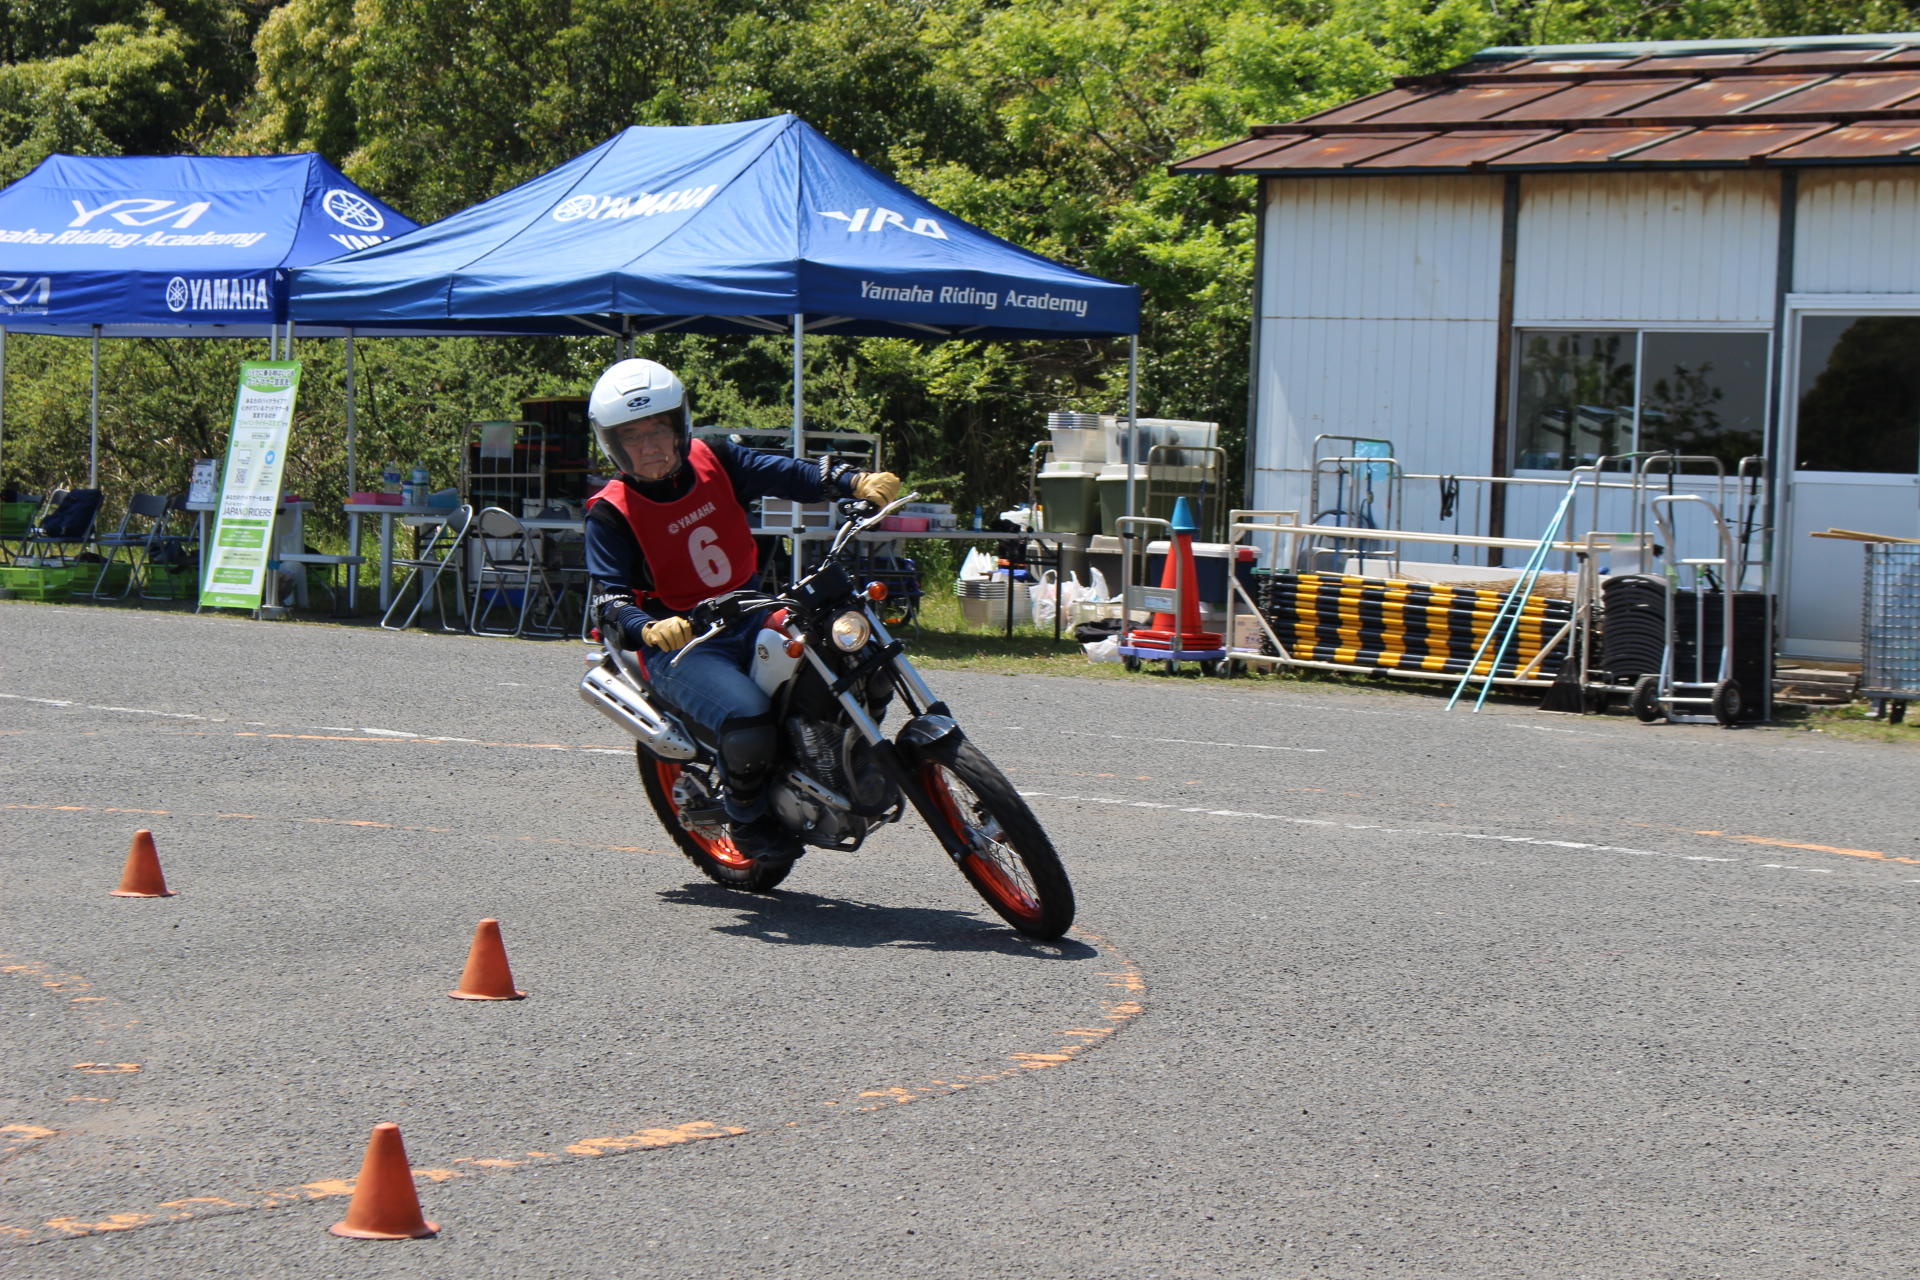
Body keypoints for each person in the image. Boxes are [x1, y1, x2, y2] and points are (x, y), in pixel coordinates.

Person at [583, 358, 899, 861]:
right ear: (613, 445)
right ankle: (748, 820)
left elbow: (786, 472)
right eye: (633, 437)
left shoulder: (716, 459)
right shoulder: (610, 511)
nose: (650, 447)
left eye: (659, 430)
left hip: (751, 609)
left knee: (852, 644)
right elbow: (608, 598)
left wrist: (849, 480)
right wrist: (648, 627)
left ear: (680, 426)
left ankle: (853, 750)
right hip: (683, 645)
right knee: (750, 720)